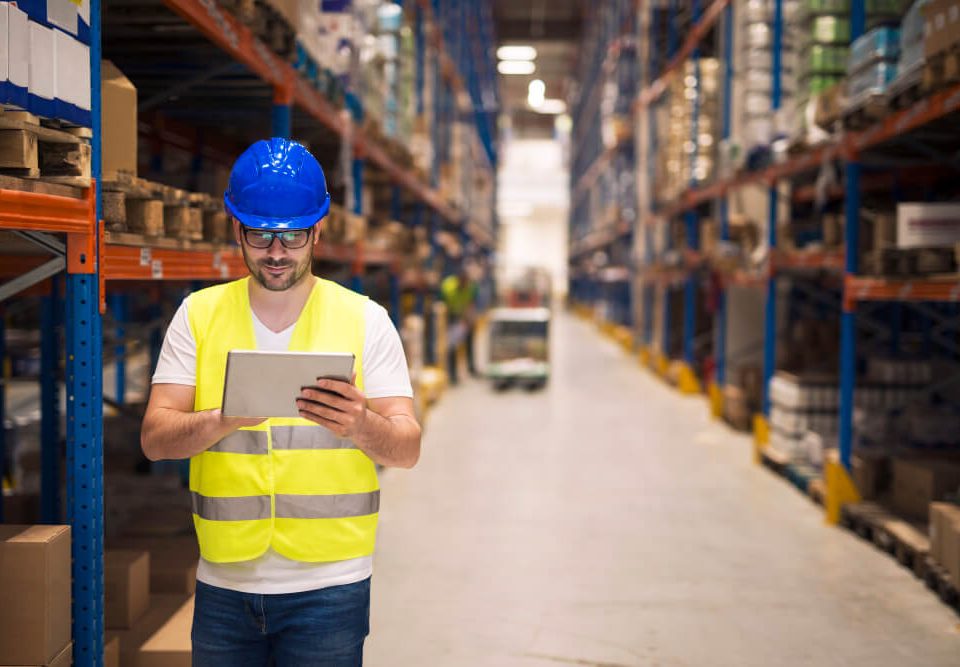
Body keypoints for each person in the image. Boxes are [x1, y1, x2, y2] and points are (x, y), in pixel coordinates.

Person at [141, 138, 421, 666]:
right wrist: (220, 420)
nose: (275, 251)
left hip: (330, 587)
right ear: (235, 227)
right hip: (224, 583)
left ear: (318, 229)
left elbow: (406, 448)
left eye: (292, 235)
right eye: (260, 234)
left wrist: (361, 423)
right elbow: (155, 440)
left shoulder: (364, 320)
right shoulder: (197, 316)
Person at [440, 265, 479, 384]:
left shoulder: (471, 288)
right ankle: (452, 375)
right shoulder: (447, 286)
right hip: (450, 316)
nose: (465, 284)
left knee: (470, 339)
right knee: (452, 346)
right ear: (458, 280)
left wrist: (468, 321)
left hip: (463, 316)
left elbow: (471, 305)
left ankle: (471, 367)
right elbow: (441, 306)